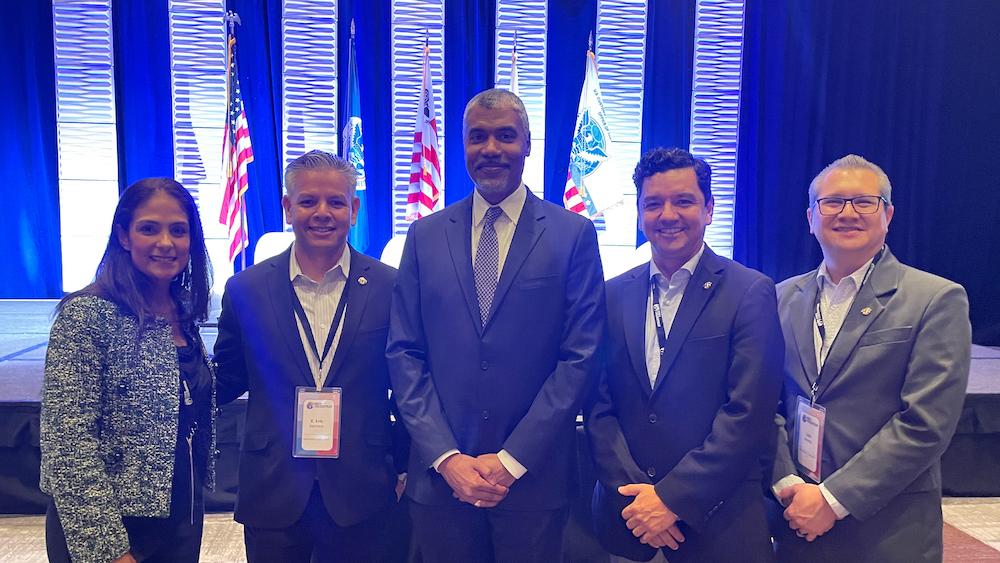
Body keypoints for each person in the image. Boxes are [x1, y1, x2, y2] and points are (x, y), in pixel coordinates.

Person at [387, 88, 605, 562]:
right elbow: (404, 353)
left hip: (532, 482)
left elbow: (580, 357)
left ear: (527, 143)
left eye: (505, 136)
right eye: (477, 137)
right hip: (442, 480)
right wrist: (446, 458)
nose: (490, 149)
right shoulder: (425, 235)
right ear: (462, 146)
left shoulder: (573, 236)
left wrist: (511, 461)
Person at [770, 154, 971, 562]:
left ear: (888, 215)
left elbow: (925, 424)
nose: (847, 213)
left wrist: (832, 498)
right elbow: (765, 403)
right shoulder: (780, 297)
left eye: (864, 202)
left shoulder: (935, 299)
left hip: (885, 531)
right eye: (832, 202)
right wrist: (787, 481)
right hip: (794, 520)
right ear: (811, 217)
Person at [586, 148, 783, 563]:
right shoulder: (611, 294)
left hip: (718, 524)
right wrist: (639, 502)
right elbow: (598, 407)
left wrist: (671, 500)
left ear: (709, 209)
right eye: (653, 204)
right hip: (627, 522)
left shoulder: (750, 292)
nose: (667, 214)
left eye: (684, 201)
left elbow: (748, 414)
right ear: (639, 213)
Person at [214, 150, 405, 563]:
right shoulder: (245, 290)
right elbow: (226, 379)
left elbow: (408, 386)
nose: (322, 212)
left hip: (363, 484)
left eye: (336, 202)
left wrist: (404, 464)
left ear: (353, 210)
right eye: (307, 201)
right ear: (287, 207)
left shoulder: (392, 287)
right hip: (273, 484)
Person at [41, 178, 216, 563]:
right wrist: (110, 549)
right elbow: (67, 444)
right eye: (149, 228)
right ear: (124, 236)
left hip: (178, 516)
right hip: (110, 530)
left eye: (179, 230)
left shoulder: (181, 310)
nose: (166, 242)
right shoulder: (86, 316)